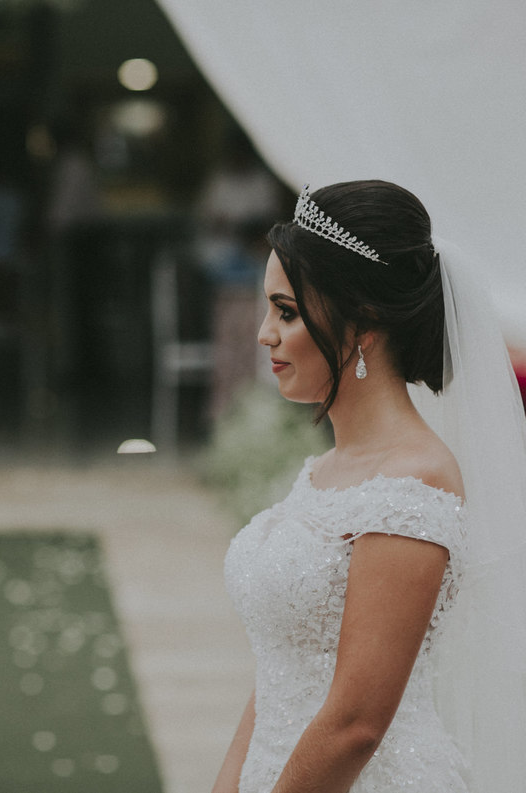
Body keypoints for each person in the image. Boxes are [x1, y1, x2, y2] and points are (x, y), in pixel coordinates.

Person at [215, 180, 526, 792]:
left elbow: (357, 724)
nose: (264, 334)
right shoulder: (327, 470)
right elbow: (280, 670)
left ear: (365, 321)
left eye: (287, 311)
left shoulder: (414, 485)